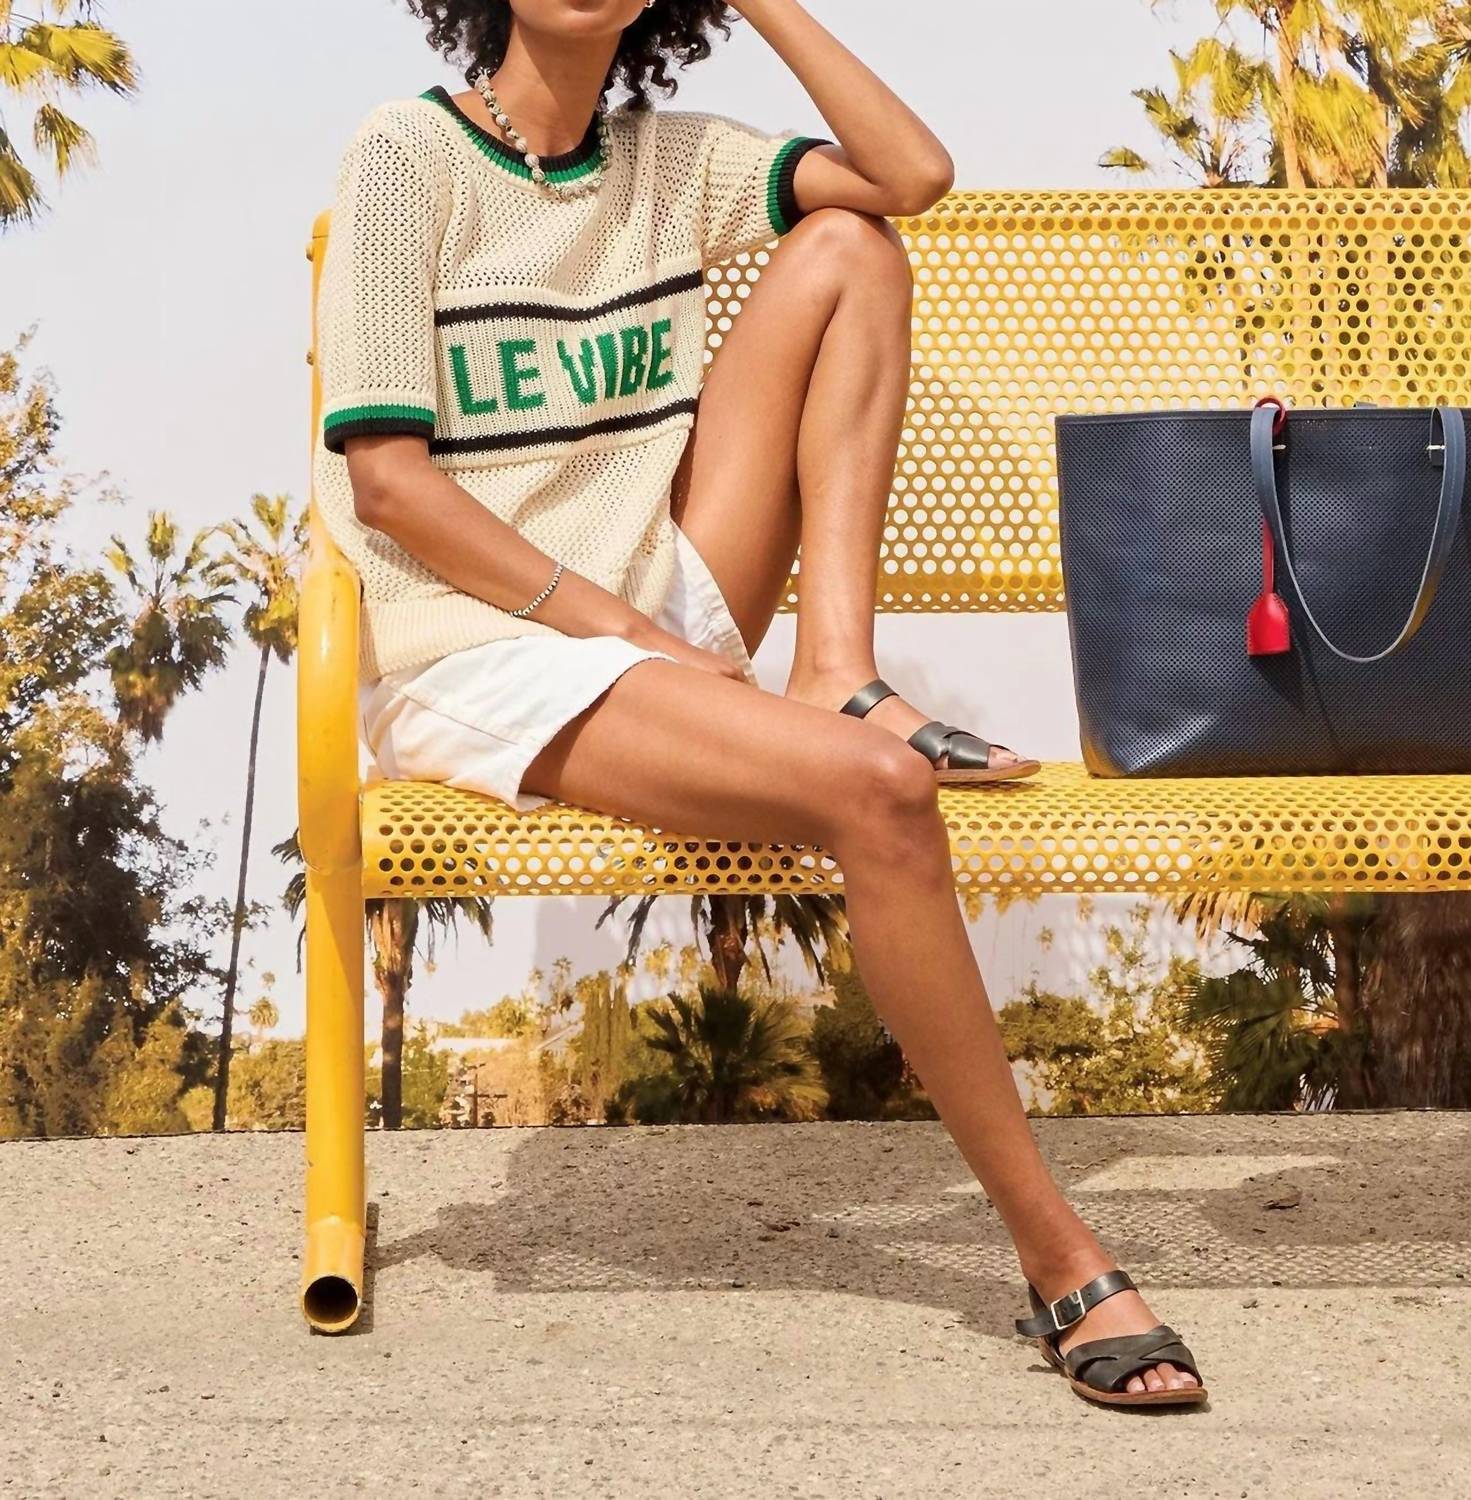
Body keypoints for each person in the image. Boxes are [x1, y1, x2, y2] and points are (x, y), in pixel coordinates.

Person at [315, 0, 1205, 1407]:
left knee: (853, 246)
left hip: (650, 597)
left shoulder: (667, 160)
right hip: (480, 646)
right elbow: (387, 483)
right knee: (883, 792)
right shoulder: (402, 157)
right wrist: (617, 627)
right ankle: (1060, 1254)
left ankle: (837, 668)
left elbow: (909, 176)